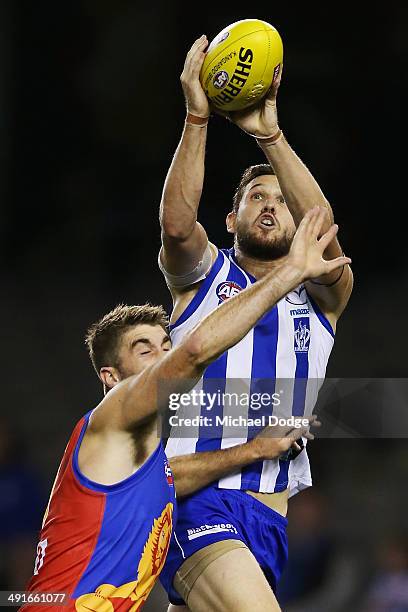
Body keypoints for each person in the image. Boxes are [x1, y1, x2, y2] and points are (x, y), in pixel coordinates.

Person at [21, 207, 342, 612]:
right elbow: (193, 351)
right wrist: (290, 271)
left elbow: (174, 476)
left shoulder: (146, 460)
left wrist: (257, 449)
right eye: (144, 351)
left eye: (164, 347)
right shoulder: (112, 419)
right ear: (111, 378)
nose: (161, 360)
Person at [158, 36, 353, 611]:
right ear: (231, 217)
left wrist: (270, 135)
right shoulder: (202, 276)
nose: (271, 205)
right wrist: (198, 116)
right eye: (255, 196)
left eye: (280, 200)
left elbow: (323, 230)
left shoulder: (320, 293)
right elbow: (174, 226)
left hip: (269, 522)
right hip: (196, 503)